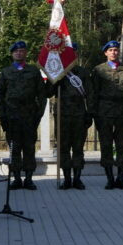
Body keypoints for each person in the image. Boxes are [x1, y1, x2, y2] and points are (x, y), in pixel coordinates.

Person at [0, 41, 49, 190]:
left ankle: (29, 178)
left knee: (29, 148)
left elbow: (41, 95)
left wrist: (38, 115)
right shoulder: (6, 72)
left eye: (22, 51)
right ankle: (16, 178)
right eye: (16, 51)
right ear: (12, 54)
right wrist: (3, 116)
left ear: (26, 53)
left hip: (29, 117)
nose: (19, 53)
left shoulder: (33, 71)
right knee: (14, 148)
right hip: (12, 117)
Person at [90, 40, 123, 190]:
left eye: (116, 50)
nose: (113, 52)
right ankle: (109, 178)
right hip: (105, 112)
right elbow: (93, 93)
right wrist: (94, 113)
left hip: (122, 111)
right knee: (106, 145)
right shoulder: (98, 70)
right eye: (110, 50)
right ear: (105, 53)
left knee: (122, 145)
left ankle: (121, 177)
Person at [54, 49, 90, 190]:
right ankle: (67, 179)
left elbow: (90, 94)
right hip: (62, 116)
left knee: (78, 148)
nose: (70, 57)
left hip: (79, 116)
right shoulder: (59, 73)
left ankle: (77, 179)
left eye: (73, 54)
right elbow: (47, 92)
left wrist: (89, 113)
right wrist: (55, 79)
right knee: (63, 148)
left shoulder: (83, 73)